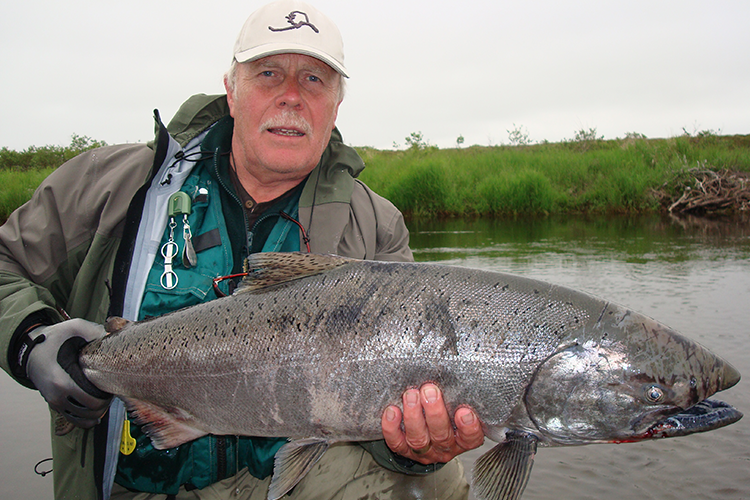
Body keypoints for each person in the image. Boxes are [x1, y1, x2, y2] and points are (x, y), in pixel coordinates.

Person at [0, 1, 484, 498]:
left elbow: (393, 402)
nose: (292, 96)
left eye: (315, 80)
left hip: (284, 481)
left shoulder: (377, 227)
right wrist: (28, 339)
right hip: (130, 486)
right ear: (231, 91)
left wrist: (411, 444)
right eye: (269, 73)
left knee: (436, 482)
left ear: (336, 104)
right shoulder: (110, 186)